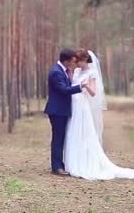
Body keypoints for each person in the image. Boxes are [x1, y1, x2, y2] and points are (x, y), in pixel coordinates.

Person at [63, 49, 134, 181]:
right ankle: (72, 161)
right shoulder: (76, 71)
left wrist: (85, 85)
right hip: (73, 105)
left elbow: (93, 93)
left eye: (79, 61)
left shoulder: (91, 73)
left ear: (85, 60)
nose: (77, 64)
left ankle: (85, 162)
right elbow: (71, 85)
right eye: (76, 61)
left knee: (84, 133)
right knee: (72, 132)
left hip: (82, 106)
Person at [44, 48, 87, 176]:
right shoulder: (56, 72)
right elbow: (63, 90)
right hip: (57, 111)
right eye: (72, 61)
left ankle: (59, 165)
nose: (73, 63)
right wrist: (80, 87)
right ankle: (56, 167)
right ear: (66, 60)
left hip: (61, 110)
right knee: (58, 138)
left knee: (61, 137)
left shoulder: (62, 71)